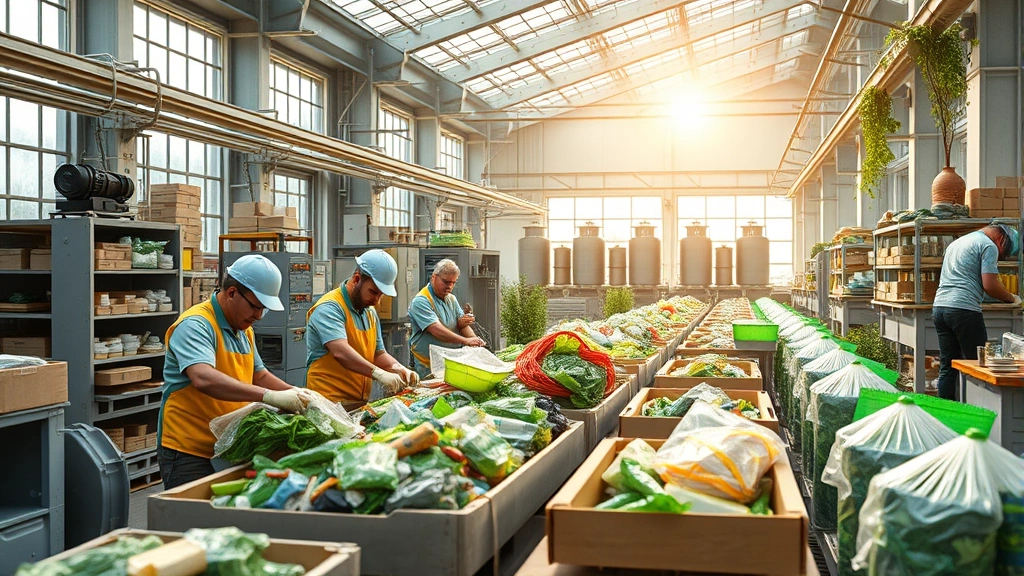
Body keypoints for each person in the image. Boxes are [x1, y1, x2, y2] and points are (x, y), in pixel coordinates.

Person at [158, 254, 311, 489]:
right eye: (256, 307)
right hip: (190, 451)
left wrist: (297, 394)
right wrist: (268, 396)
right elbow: (203, 377)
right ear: (231, 293)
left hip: (228, 447)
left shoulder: (243, 329)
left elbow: (259, 375)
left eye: (264, 310)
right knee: (190, 510)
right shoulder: (196, 325)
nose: (258, 316)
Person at [305, 249, 418, 407]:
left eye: (381, 295)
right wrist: (378, 373)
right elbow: (340, 352)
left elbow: (378, 354)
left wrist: (399, 369)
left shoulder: (369, 312)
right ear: (357, 279)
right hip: (328, 403)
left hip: (356, 402)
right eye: (373, 292)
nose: (377, 301)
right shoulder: (329, 308)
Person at [933, 223, 1021, 400]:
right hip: (964, 309)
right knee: (980, 365)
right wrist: (1011, 298)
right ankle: (979, 409)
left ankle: (945, 411)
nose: (1002, 258)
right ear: (1001, 239)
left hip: (940, 307)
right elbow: (990, 284)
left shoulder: (958, 243)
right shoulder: (988, 245)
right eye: (1004, 253)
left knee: (947, 366)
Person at [408, 259, 486, 377]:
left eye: (453, 282)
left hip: (450, 364)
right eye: (446, 282)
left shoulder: (451, 299)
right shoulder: (421, 301)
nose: (450, 286)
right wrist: (465, 341)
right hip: (427, 367)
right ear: (434, 277)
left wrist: (475, 341)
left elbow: (463, 326)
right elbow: (437, 330)